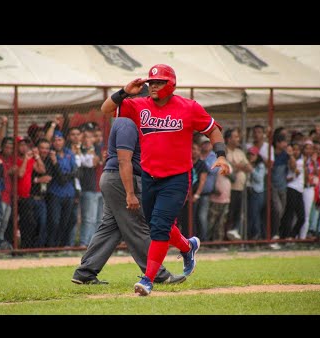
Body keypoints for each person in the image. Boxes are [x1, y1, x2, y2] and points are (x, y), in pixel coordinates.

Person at [101, 64, 230, 296]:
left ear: (171, 84)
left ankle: (148, 280)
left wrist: (220, 155)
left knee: (159, 229)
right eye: (151, 83)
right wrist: (124, 91)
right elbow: (106, 108)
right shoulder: (138, 105)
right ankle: (188, 246)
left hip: (177, 178)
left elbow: (213, 130)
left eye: (159, 82)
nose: (153, 86)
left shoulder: (188, 107)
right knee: (157, 226)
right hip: (150, 177)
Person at [72, 117, 186, 285]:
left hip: (115, 179)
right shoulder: (127, 122)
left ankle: (85, 273)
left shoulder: (130, 123)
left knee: (110, 228)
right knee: (137, 227)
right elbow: (124, 160)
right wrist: (130, 193)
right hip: (122, 180)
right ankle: (158, 274)